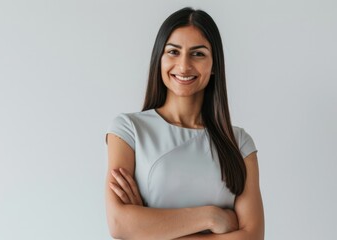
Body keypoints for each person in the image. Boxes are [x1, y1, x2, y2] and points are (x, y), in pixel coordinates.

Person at [105, 7, 264, 240]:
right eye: (173, 52)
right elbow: (119, 224)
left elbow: (253, 237)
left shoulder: (239, 143)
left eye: (198, 54)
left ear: (214, 66)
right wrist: (211, 217)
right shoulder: (129, 130)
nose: (184, 65)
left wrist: (147, 227)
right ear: (159, 58)